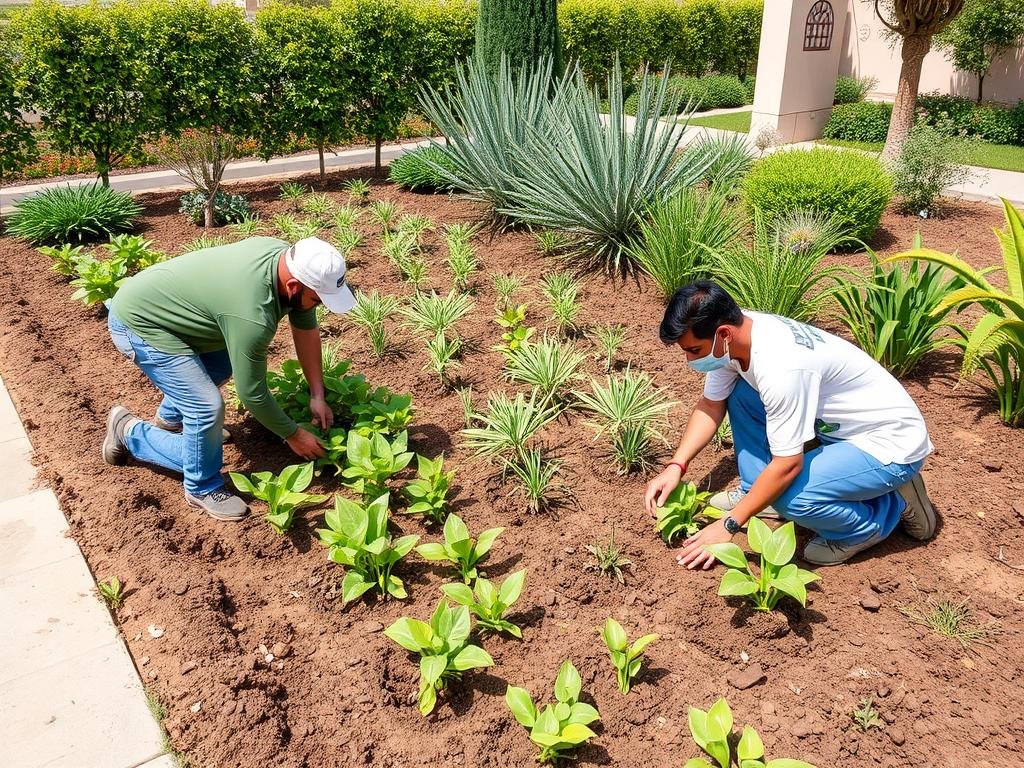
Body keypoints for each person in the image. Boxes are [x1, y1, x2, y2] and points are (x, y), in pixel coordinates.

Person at [643, 280, 936, 568]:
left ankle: (879, 517)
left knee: (791, 496)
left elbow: (787, 465)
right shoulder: (739, 335)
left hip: (888, 442)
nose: (688, 359)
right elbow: (711, 404)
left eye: (694, 350)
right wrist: (676, 466)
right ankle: (755, 491)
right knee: (741, 394)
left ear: (723, 334)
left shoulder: (781, 368)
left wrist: (728, 525)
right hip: (843, 427)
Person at [101, 236, 355, 521]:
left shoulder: (288, 262)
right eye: (317, 299)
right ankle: (155, 451)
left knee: (222, 363)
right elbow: (252, 394)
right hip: (141, 324)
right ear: (294, 286)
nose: (318, 305)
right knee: (206, 410)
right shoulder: (252, 315)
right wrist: (293, 434)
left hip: (172, 311)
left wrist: (317, 395)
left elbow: (306, 329)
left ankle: (172, 420)